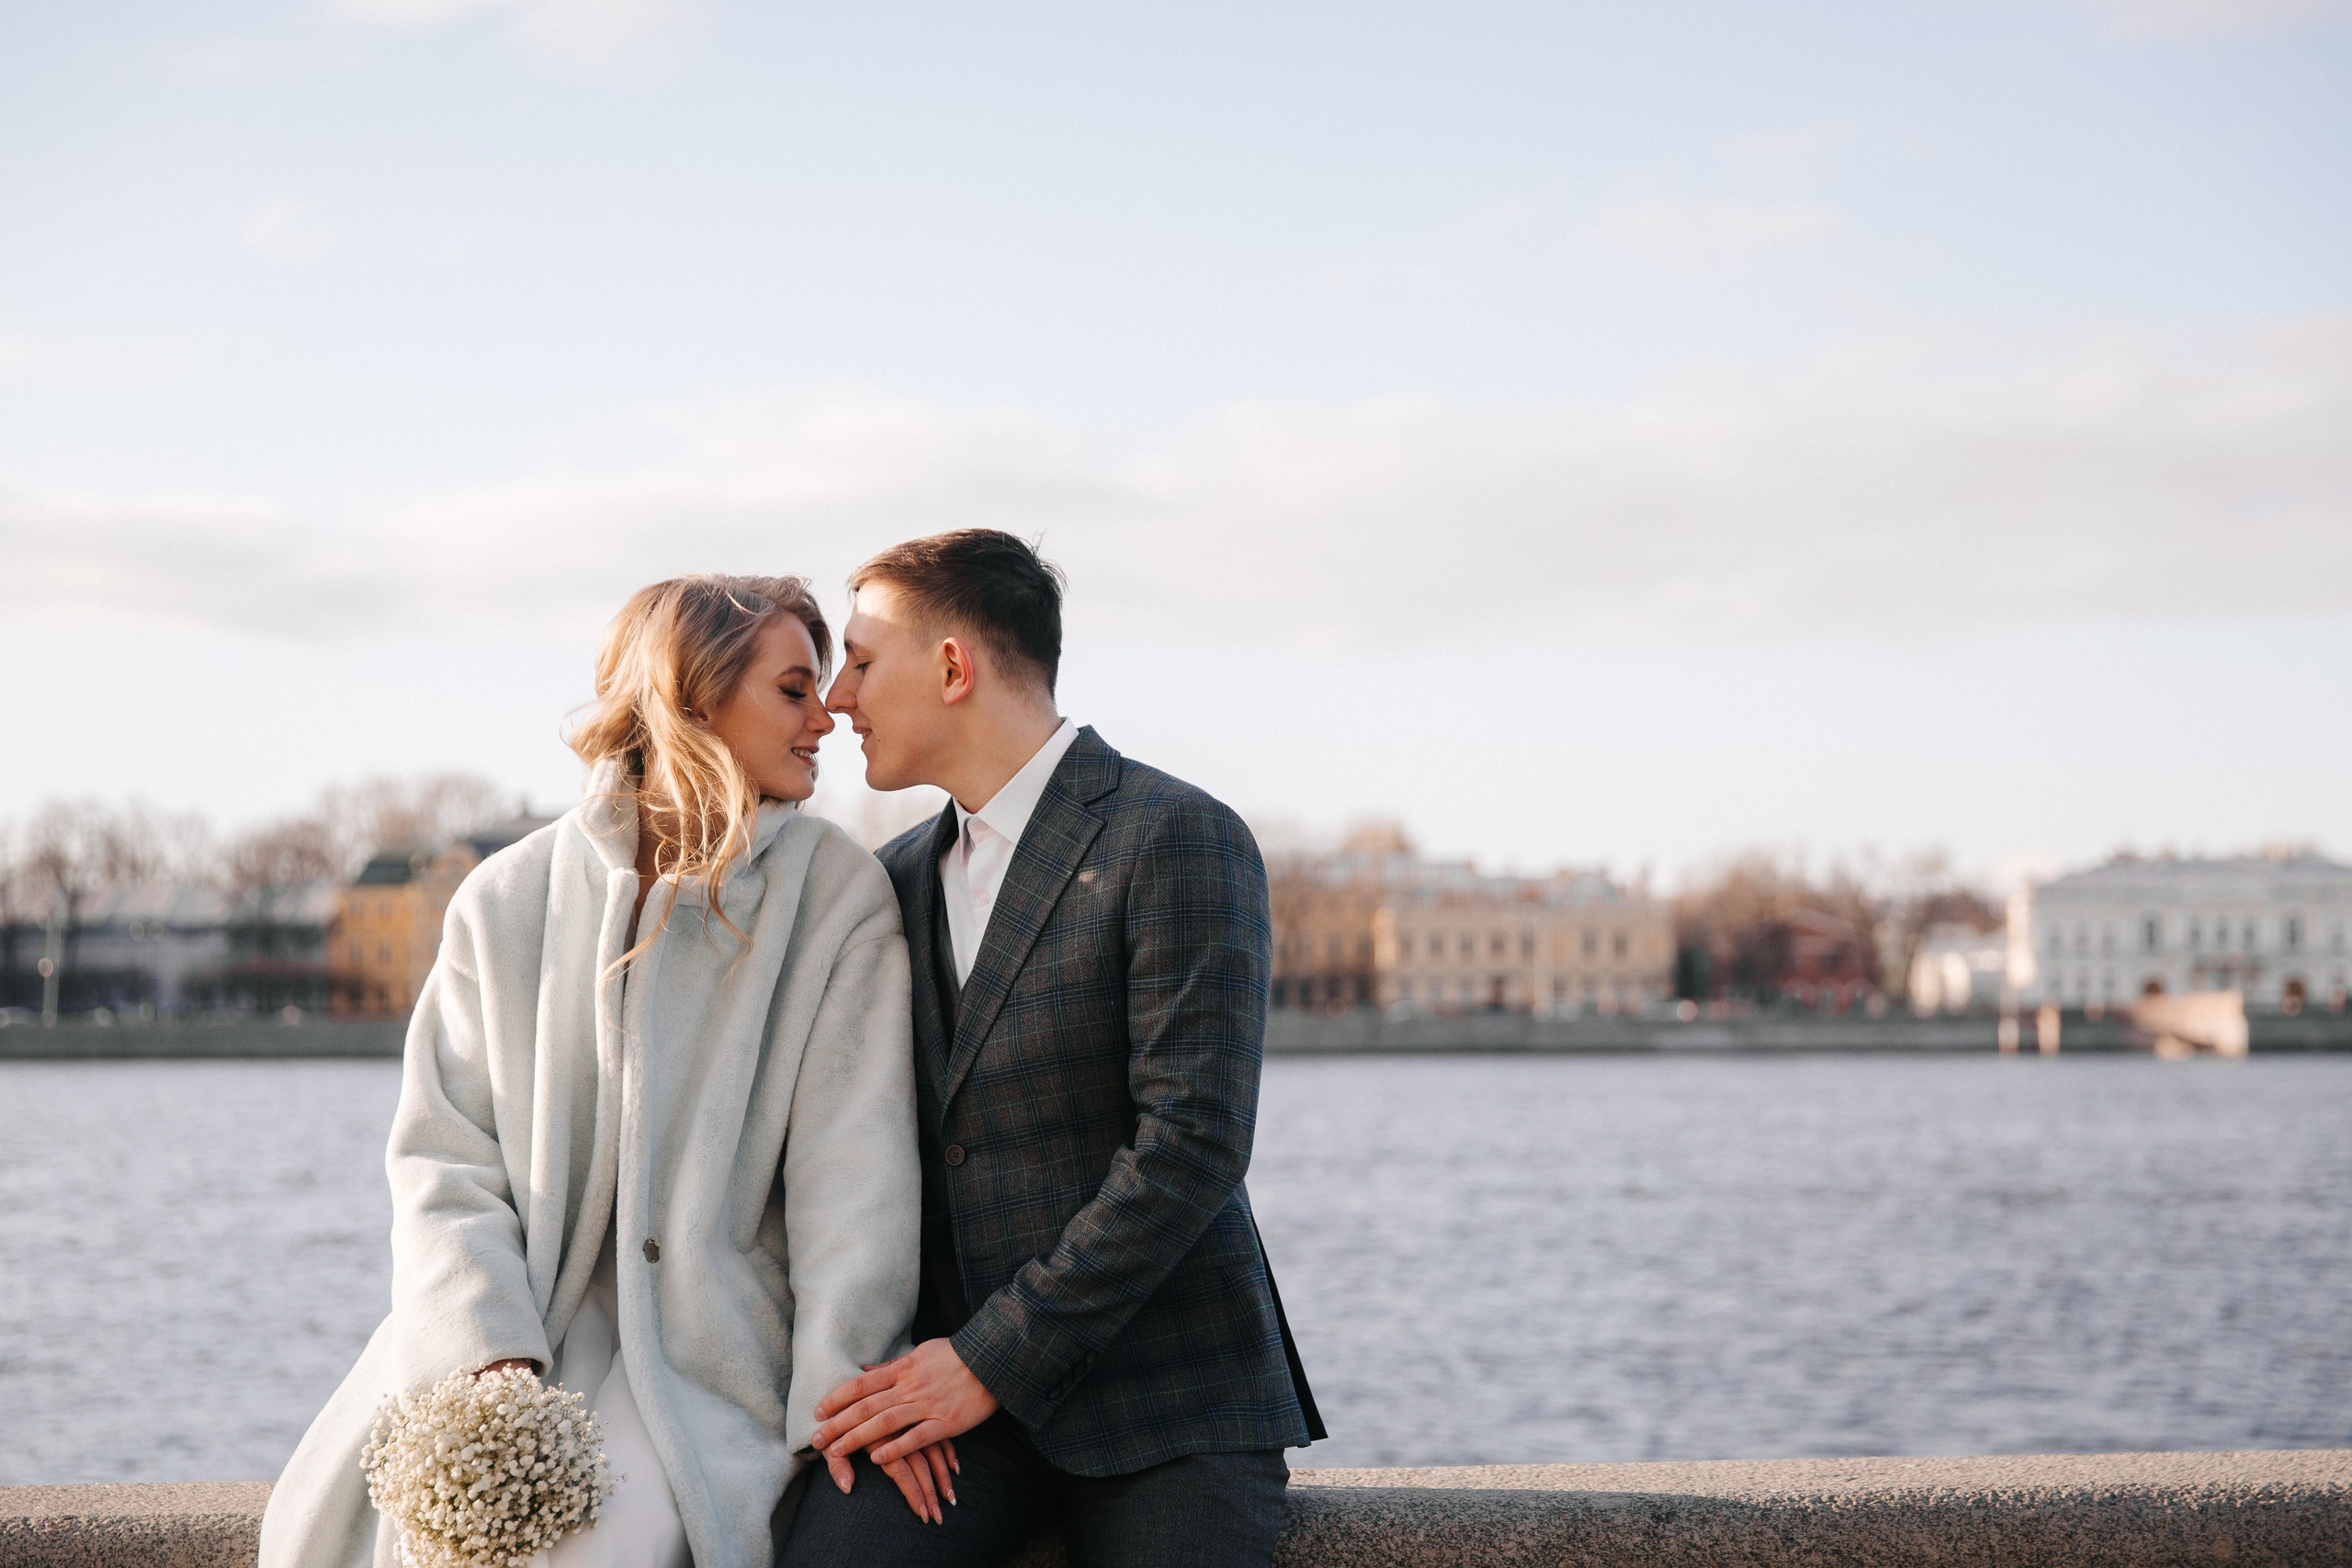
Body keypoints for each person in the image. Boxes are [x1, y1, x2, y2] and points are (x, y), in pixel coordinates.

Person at [261, 573, 946, 1568]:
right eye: (794, 690)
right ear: (696, 694)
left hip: (706, 1350)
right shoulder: (505, 898)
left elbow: (858, 1183)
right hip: (517, 1323)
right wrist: (487, 1357)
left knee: (598, 1540)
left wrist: (840, 1396)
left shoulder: (835, 895)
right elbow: (444, 1157)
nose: (826, 718)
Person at [777, 531, 1323, 1568]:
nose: (839, 697)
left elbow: (1193, 1146)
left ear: (951, 668)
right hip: (954, 1412)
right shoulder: (886, 879)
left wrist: (986, 1360)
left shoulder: (1177, 835)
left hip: (1165, 1399)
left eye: (859, 658)